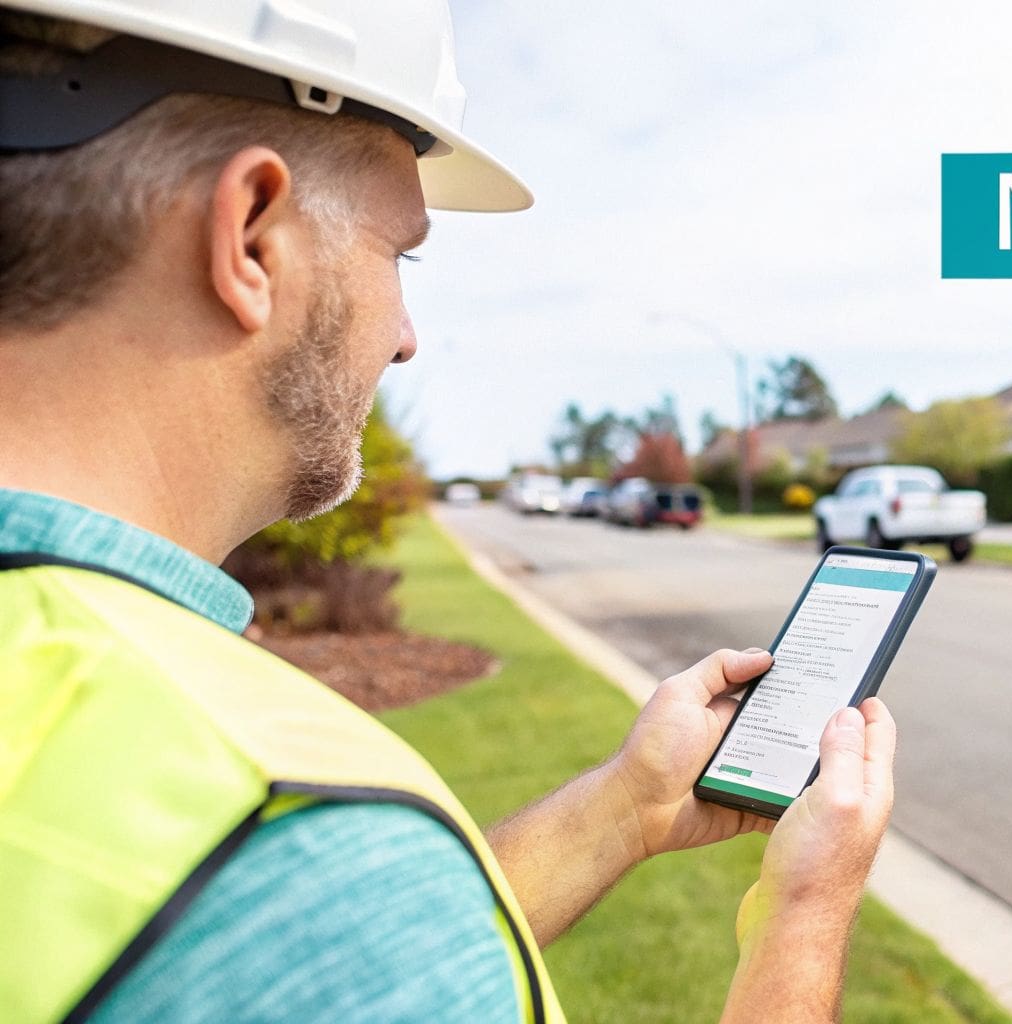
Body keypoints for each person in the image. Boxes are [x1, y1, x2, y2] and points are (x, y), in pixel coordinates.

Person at [0, 3, 896, 1022]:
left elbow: (350, 967)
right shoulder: (286, 827)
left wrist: (627, 806)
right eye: (399, 254)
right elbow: (350, 938)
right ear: (250, 233)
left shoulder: (271, 871)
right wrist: (807, 911)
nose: (406, 337)